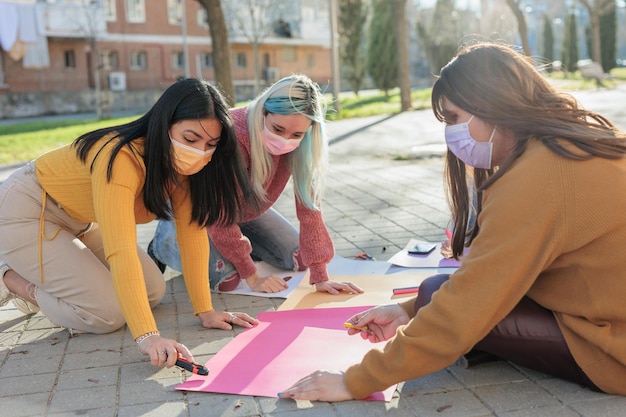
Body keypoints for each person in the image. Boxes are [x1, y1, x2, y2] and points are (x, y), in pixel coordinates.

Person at [277, 42, 626, 401]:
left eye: (454, 118)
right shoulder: (571, 141)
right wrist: (406, 310)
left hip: (614, 348)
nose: (450, 132)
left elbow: (471, 300)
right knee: (433, 291)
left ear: (491, 105)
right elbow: (492, 273)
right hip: (604, 311)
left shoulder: (538, 176)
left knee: (441, 299)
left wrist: (357, 380)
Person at [0, 78, 262, 370]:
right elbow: (120, 249)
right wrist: (147, 336)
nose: (199, 152)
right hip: (28, 209)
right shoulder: (120, 156)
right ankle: (9, 276)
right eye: (190, 139)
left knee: (153, 291)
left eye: (210, 145)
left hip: (80, 220)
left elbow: (192, 235)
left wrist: (206, 310)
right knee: (107, 313)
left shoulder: (182, 168)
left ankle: (55, 271)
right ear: (164, 126)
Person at [148, 74, 363, 295]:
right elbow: (221, 215)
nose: (285, 139)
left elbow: (310, 210)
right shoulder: (234, 135)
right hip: (203, 209)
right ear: (263, 112)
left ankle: (238, 246)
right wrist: (251, 276)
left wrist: (320, 275)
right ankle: (164, 242)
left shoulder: (303, 144)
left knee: (301, 259)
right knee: (228, 280)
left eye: (297, 134)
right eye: (278, 129)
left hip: (244, 210)